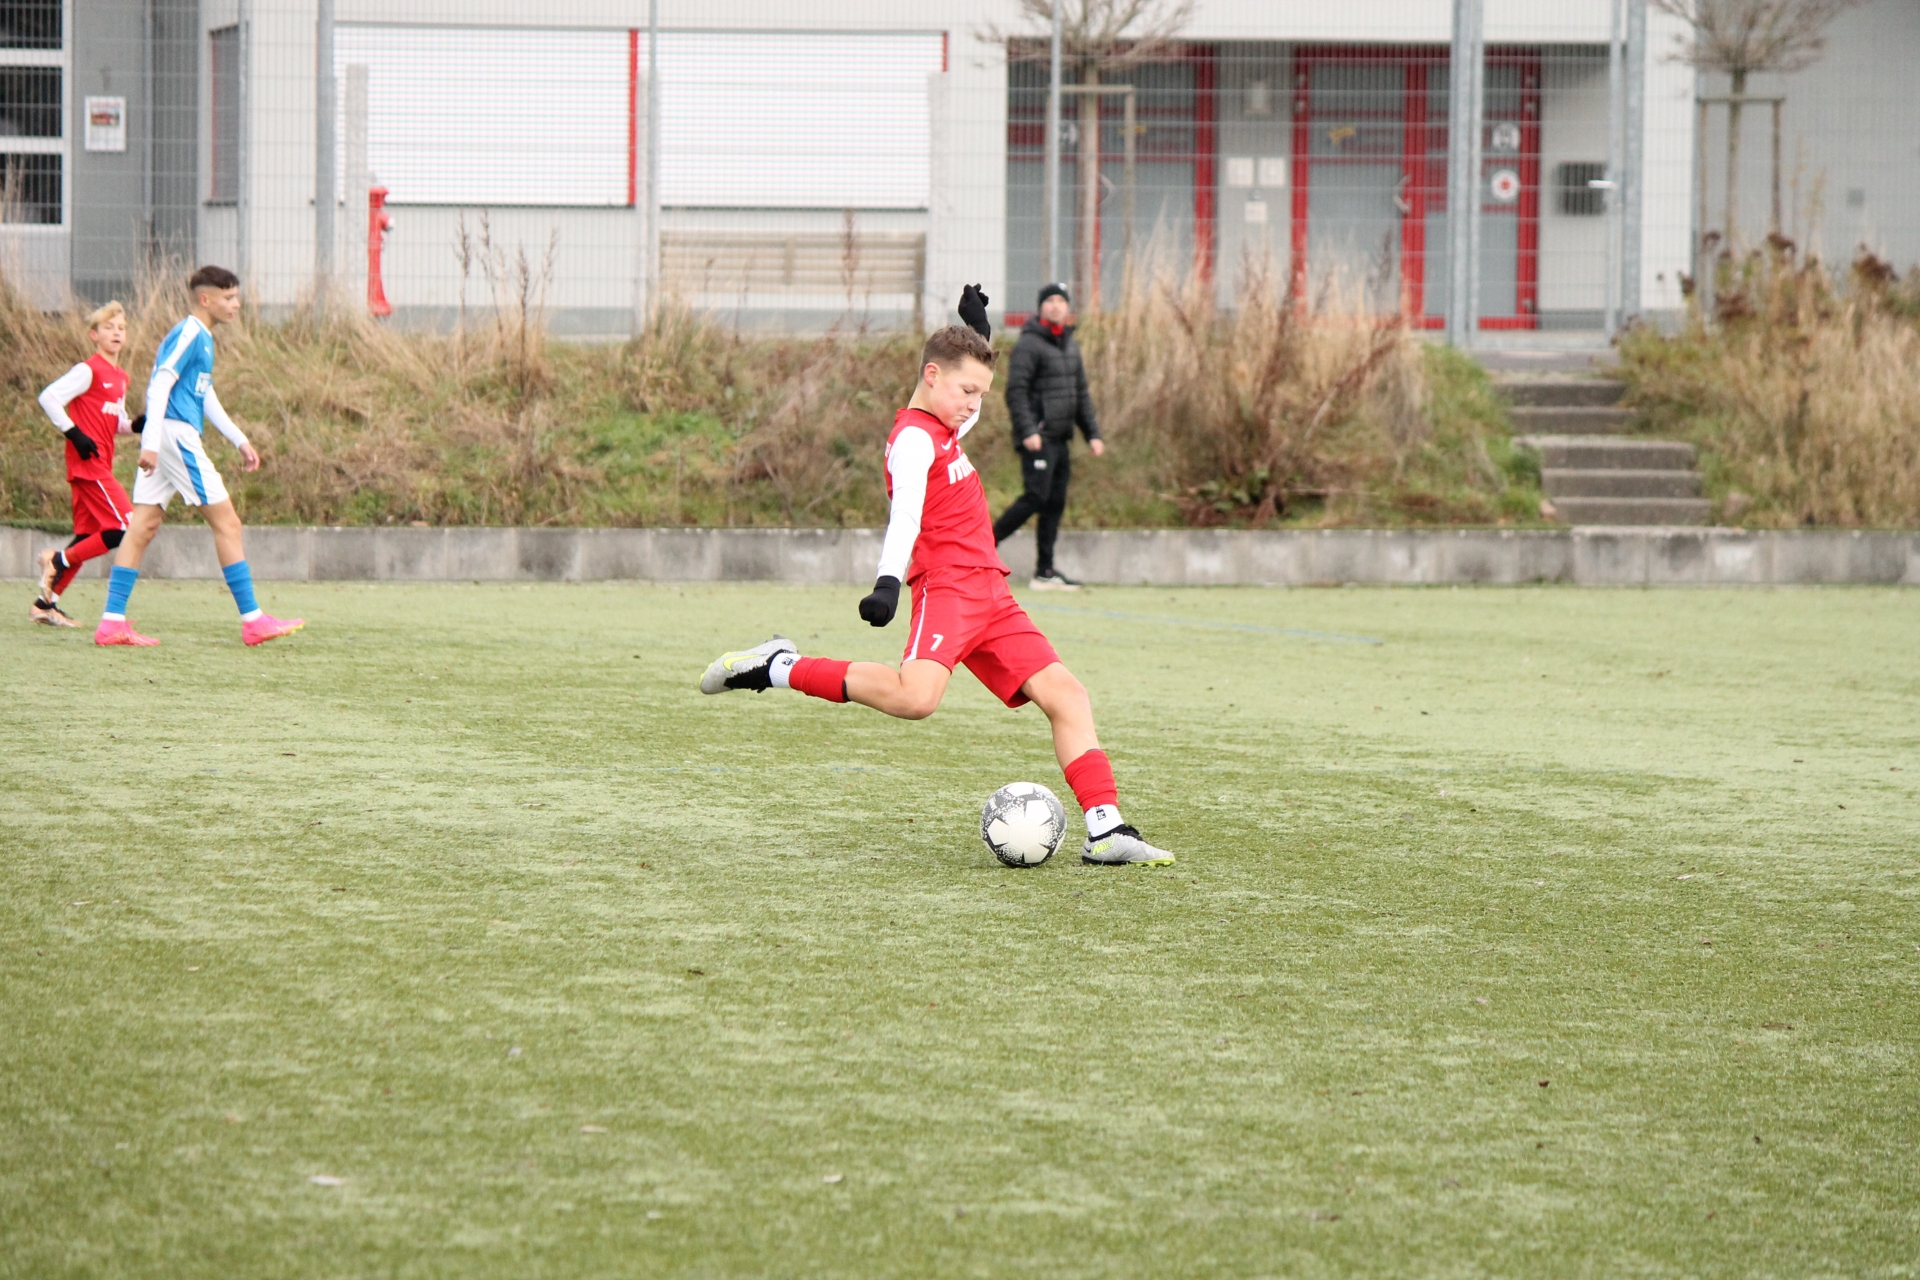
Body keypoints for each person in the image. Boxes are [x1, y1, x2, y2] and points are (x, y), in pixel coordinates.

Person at [698, 293, 1174, 867]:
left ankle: (1106, 830)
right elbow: (905, 516)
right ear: (931, 376)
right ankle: (778, 666)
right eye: (967, 391)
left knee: (1067, 695)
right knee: (915, 698)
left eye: (982, 394)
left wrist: (977, 337)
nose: (974, 405)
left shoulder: (945, 422)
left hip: (992, 593)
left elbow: (964, 399)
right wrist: (887, 583)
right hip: (948, 589)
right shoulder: (914, 440)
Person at [93, 265, 303, 648]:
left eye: (236, 297)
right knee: (228, 523)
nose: (236, 304)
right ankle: (253, 620)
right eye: (229, 298)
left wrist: (239, 439)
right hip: (175, 436)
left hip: (169, 435)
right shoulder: (190, 332)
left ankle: (111, 622)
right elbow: (160, 385)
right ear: (206, 299)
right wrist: (150, 442)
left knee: (143, 525)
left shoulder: (203, 337)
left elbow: (204, 395)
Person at [30, 301, 145, 626]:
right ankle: (57, 559)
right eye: (108, 328)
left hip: (100, 465)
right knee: (124, 526)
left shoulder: (121, 377)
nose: (116, 333)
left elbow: (114, 421)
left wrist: (134, 425)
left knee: (87, 537)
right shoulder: (88, 370)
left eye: (121, 328)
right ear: (94, 335)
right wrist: (74, 433)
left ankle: (44, 605)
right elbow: (48, 397)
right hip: (88, 464)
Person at [991, 282, 1104, 590]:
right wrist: (1028, 430)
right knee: (1035, 497)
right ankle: (984, 546)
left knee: (1054, 503)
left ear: (1067, 307)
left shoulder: (1070, 344)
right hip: (1038, 438)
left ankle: (1045, 571)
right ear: (1041, 307)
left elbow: (1080, 393)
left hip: (1061, 438)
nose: (1056, 305)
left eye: (1061, 300)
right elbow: (1016, 391)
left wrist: (1092, 434)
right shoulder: (1029, 344)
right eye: (1050, 300)